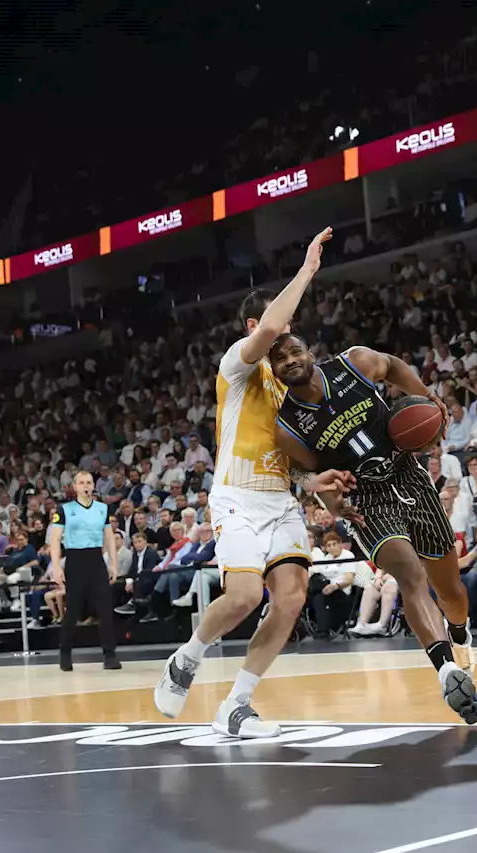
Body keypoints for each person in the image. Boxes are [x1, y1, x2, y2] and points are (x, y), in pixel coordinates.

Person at [154, 228, 354, 740]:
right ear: (254, 324)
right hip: (237, 496)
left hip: (280, 500)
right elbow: (270, 324)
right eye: (280, 320)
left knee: (290, 598)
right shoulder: (236, 366)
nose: (287, 329)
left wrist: (313, 479)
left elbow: (289, 456)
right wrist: (307, 269)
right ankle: (186, 657)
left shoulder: (288, 383)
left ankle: (236, 704)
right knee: (243, 595)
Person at [270, 335, 477, 724]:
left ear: (310, 353)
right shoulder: (287, 424)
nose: (289, 361)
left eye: (294, 352)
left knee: (452, 592)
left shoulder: (355, 363)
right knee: (409, 573)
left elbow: (394, 366)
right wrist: (324, 494)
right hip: (365, 503)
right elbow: (305, 469)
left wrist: (426, 398)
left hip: (411, 479)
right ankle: (445, 669)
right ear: (273, 371)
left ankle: (459, 633)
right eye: (279, 359)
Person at [48, 472, 119, 670]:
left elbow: (109, 538)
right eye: (82, 483)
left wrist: (113, 563)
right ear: (75, 486)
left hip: (96, 559)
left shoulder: (102, 509)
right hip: (75, 559)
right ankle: (65, 653)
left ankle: (110, 654)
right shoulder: (64, 510)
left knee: (105, 609)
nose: (86, 486)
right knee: (73, 610)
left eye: (89, 482)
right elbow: (54, 541)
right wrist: (56, 568)